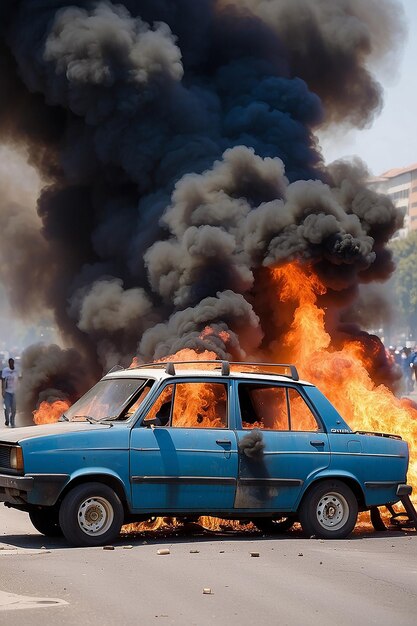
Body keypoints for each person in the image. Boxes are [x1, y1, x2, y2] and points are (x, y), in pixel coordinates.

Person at [2, 357, 18, 428]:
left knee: (14, 409)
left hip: (14, 392)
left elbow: (19, 379)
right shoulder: (5, 370)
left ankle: (12, 422)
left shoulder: (16, 370)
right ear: (9, 363)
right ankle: (7, 420)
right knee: (7, 408)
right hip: (7, 392)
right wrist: (3, 391)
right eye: (10, 363)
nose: (11, 364)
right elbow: (3, 381)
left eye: (12, 362)